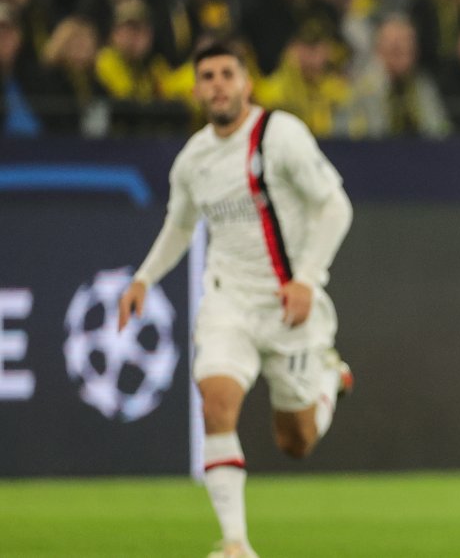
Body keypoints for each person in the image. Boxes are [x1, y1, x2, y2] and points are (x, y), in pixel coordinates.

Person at [117, 41, 354, 558]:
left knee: (297, 442)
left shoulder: (280, 135)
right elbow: (179, 225)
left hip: (288, 307)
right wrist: (143, 279)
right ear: (197, 89)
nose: (218, 84)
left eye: (227, 74)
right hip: (227, 303)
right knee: (216, 402)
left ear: (247, 83)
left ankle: (328, 381)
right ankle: (236, 543)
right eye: (207, 76)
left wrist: (308, 280)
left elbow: (336, 207)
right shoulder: (194, 159)